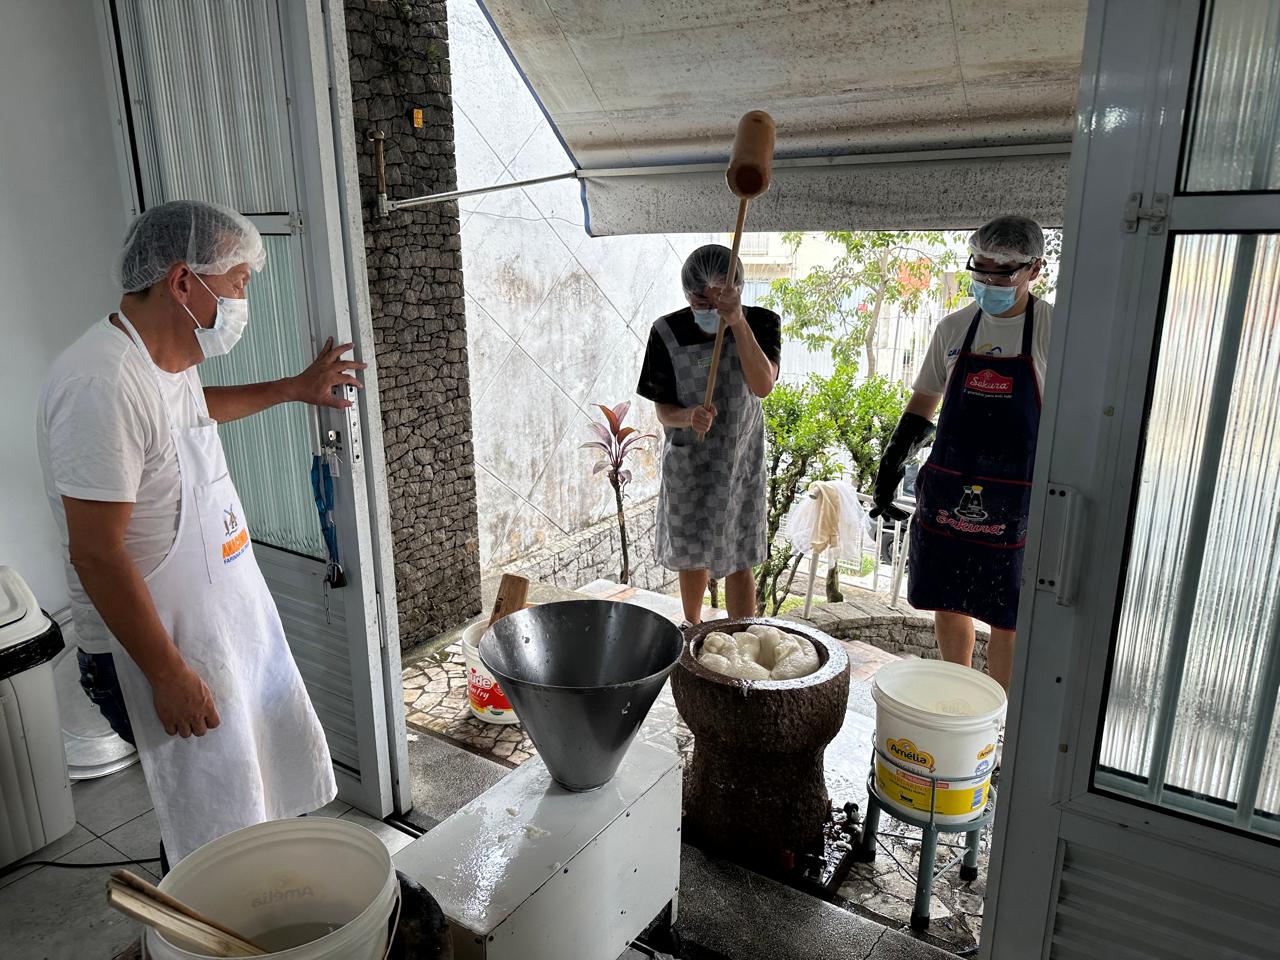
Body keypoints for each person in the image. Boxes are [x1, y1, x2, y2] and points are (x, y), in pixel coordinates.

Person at [37, 200, 364, 866]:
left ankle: (240, 917)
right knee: (208, 830)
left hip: (205, 637)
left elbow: (185, 416)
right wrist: (168, 674)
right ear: (184, 281)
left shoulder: (163, 362)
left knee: (236, 808)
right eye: (239, 281)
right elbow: (97, 554)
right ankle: (201, 936)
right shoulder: (101, 381)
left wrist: (294, 388)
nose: (245, 299)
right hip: (152, 655)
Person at [870, 216, 1051, 691]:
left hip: (1017, 497)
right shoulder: (954, 328)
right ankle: (959, 697)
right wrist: (889, 468)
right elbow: (923, 404)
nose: (988, 282)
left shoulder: (1054, 330)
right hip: (952, 487)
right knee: (949, 601)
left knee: (1008, 614)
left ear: (1035, 269)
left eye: (1003, 273)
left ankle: (1000, 719)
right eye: (981, 269)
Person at [636, 244, 781, 625]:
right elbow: (663, 409)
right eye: (700, 300)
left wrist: (737, 322)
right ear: (687, 294)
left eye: (717, 299)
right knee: (692, 552)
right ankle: (693, 627)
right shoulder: (666, 331)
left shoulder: (763, 322)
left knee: (740, 553)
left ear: (737, 289)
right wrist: (689, 417)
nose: (707, 308)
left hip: (739, 461)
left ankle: (743, 635)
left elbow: (763, 384)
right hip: (690, 462)